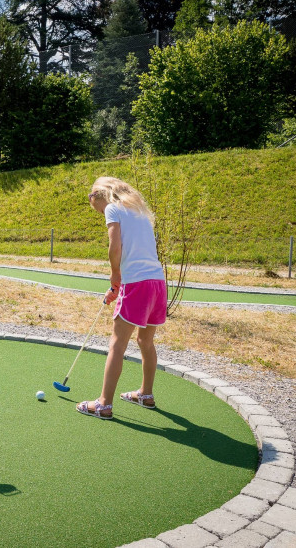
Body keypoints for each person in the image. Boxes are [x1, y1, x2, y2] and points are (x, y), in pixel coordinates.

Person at [76, 176, 167, 420]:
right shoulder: (140, 211)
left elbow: (115, 247)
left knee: (117, 344)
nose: (92, 204)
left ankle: (104, 404)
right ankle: (145, 395)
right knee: (145, 342)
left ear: (99, 195)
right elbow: (138, 252)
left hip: (137, 283)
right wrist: (119, 285)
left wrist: (115, 274)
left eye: (91, 198)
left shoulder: (113, 208)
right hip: (157, 283)